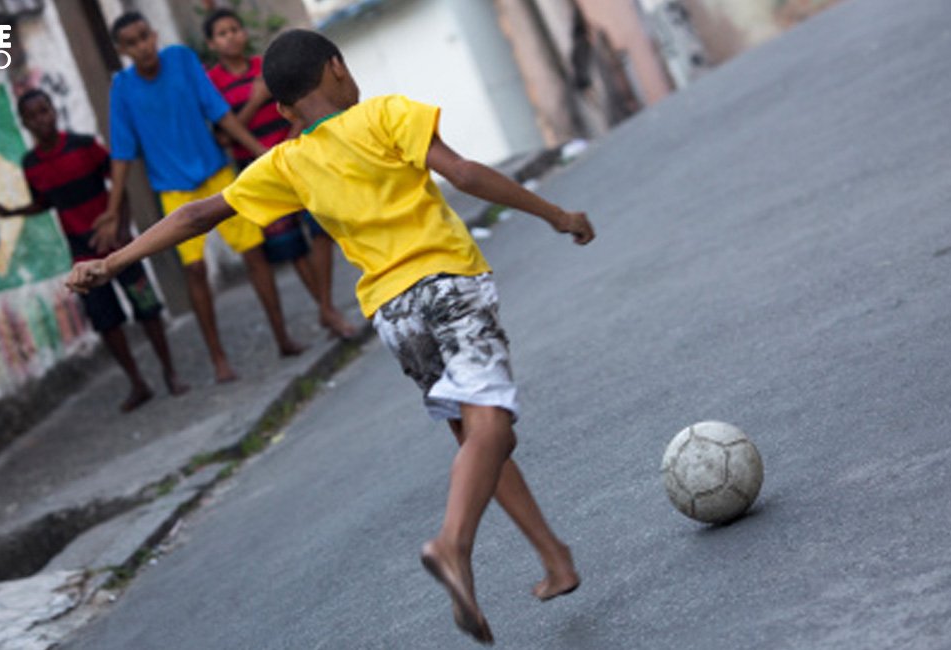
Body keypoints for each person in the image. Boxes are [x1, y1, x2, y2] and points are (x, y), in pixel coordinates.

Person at [67, 29, 593, 644]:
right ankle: (453, 545)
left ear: (284, 110)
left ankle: (554, 559)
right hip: (448, 284)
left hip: (395, 316)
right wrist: (557, 215)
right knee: (492, 424)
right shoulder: (388, 113)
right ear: (339, 69)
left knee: (478, 437)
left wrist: (115, 261)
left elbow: (195, 214)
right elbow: (465, 173)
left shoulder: (289, 161)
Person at [103, 11, 304, 384]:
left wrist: (260, 151)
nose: (142, 46)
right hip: (172, 188)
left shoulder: (181, 59)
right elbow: (122, 153)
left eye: (145, 36)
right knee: (194, 270)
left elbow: (221, 114)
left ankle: (282, 336)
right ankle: (218, 360)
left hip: (217, 172)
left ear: (154, 34)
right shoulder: (123, 88)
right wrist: (113, 211)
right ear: (121, 50)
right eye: (132, 42)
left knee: (254, 254)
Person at [0, 88, 188, 413]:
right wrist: (12, 213)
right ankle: (137, 383)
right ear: (24, 123)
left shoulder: (84, 145)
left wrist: (122, 229)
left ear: (54, 111)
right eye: (34, 115)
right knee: (106, 321)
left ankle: (170, 372)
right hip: (82, 254)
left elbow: (117, 185)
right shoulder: (31, 165)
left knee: (147, 307)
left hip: (118, 247)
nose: (42, 119)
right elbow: (44, 202)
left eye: (45, 110)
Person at [203, 8, 357, 341]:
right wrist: (256, 101)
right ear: (212, 43)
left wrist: (289, 141)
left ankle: (327, 304)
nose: (231, 36)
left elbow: (303, 104)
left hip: (296, 155)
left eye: (235, 29)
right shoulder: (212, 83)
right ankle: (324, 308)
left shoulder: (266, 67)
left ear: (244, 33)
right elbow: (224, 136)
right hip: (257, 169)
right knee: (289, 244)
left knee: (320, 229)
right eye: (222, 33)